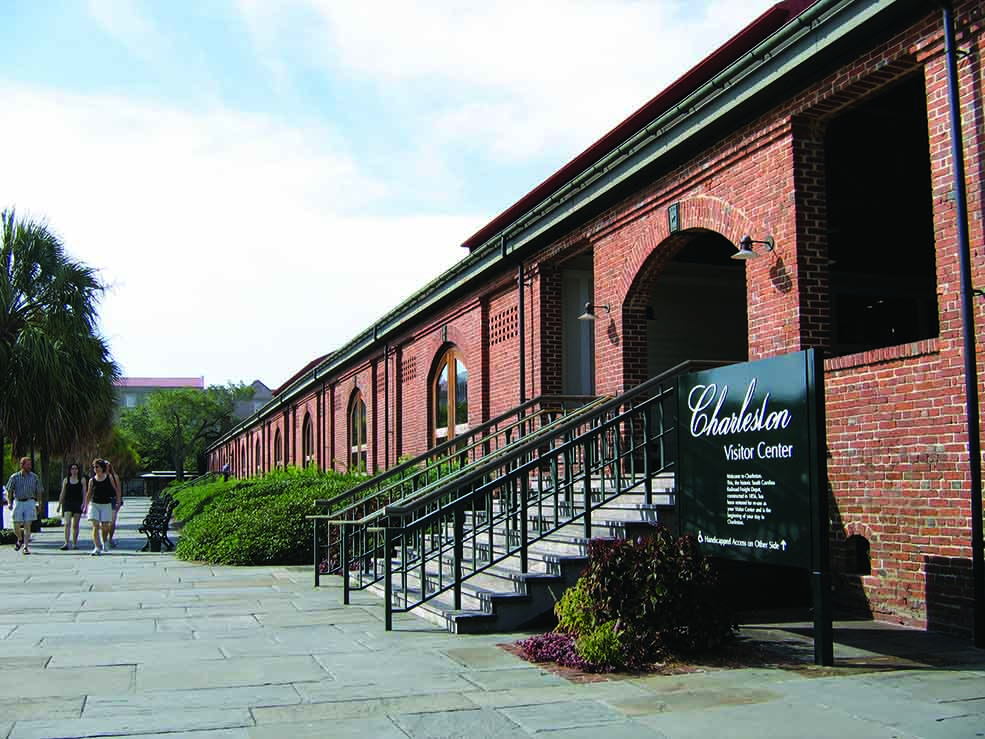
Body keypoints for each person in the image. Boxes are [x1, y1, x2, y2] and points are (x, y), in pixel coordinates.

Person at [82, 459, 120, 556]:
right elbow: (89, 493)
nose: (96, 469)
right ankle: (97, 547)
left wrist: (118, 501)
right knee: (95, 525)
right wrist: (85, 505)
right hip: (94, 504)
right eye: (94, 467)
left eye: (97, 467)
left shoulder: (109, 477)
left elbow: (115, 490)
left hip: (106, 504)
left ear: (102, 467)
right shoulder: (92, 480)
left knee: (105, 526)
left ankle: (105, 541)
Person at [6, 457, 42, 555]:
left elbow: (39, 491)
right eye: (27, 464)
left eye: (30, 464)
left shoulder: (34, 477)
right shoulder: (14, 477)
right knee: (15, 523)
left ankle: (25, 547)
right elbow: (9, 490)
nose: (29, 466)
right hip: (18, 501)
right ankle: (20, 538)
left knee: (27, 524)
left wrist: (39, 503)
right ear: (22, 465)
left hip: (30, 502)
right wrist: (9, 502)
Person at [56, 463, 86, 550]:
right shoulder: (66, 480)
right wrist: (59, 505)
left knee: (75, 525)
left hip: (77, 503)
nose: (74, 470)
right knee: (67, 523)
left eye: (76, 468)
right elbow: (63, 493)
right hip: (67, 503)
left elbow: (84, 493)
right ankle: (66, 543)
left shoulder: (82, 480)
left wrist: (84, 504)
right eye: (72, 469)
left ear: (78, 470)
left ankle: (74, 543)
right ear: (70, 470)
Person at [105, 460, 122, 548]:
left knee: (112, 521)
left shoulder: (114, 477)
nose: (107, 467)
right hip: (103, 501)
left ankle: (110, 538)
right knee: (104, 523)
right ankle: (104, 539)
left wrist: (119, 501)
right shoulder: (99, 477)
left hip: (113, 500)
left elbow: (118, 490)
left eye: (108, 465)